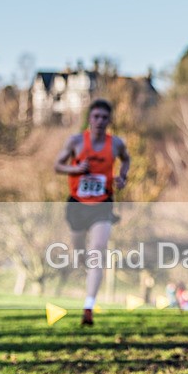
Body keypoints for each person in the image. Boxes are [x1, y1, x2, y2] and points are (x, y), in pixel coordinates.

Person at [54, 99, 130, 326]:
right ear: (90, 118)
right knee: (80, 253)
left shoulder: (116, 144)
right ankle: (85, 268)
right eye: (96, 117)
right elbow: (58, 165)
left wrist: (122, 177)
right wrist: (75, 169)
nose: (100, 121)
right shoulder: (76, 141)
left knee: (97, 250)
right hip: (77, 204)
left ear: (109, 120)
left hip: (102, 204)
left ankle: (88, 306)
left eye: (104, 118)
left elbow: (126, 159)